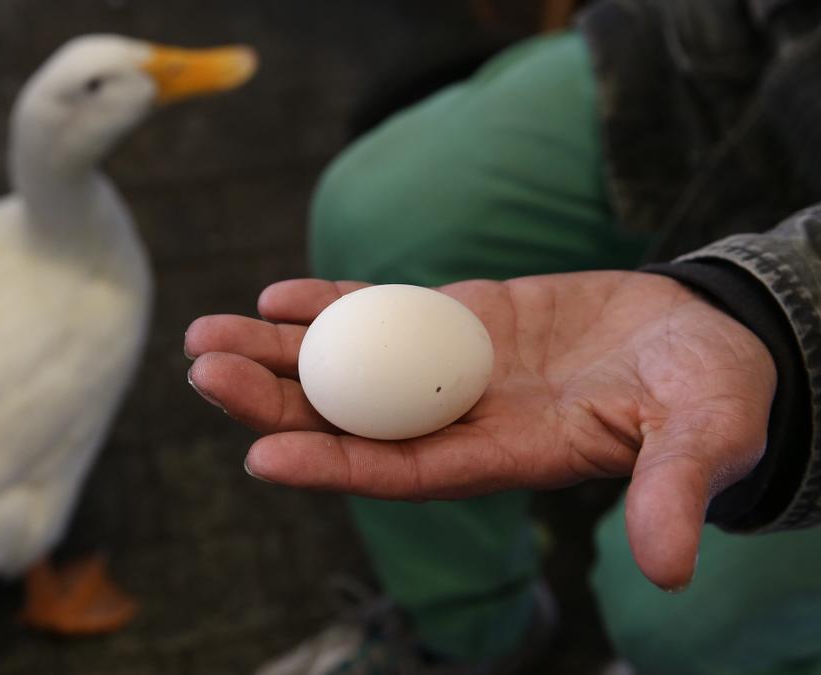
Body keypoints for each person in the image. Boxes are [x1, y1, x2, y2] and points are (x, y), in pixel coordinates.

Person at [184, 0, 821, 673]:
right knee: (384, 215)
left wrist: (783, 311)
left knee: (683, 617)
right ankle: (467, 628)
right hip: (738, 46)